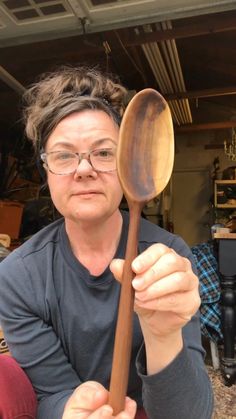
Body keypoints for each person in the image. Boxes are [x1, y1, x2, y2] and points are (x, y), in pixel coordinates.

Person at [0, 66, 213, 419]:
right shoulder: (18, 275)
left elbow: (190, 413)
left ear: (126, 164)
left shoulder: (168, 259)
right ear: (46, 171)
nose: (84, 169)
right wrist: (68, 408)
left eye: (103, 153)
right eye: (64, 155)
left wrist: (163, 334)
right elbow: (50, 394)